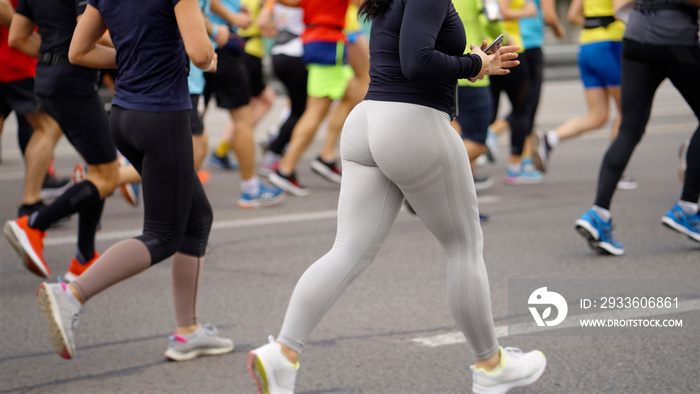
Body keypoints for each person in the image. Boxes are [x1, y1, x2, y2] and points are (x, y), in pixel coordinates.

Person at [247, 1, 546, 393]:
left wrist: (472, 61)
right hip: (411, 122)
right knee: (463, 247)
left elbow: (412, 56)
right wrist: (475, 66)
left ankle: (282, 354)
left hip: (369, 120)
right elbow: (417, 62)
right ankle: (491, 365)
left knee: (347, 250)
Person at [32, 0, 233, 362]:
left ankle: (188, 331)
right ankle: (72, 292)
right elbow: (201, 53)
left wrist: (130, 59)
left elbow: (78, 51)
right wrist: (208, 59)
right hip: (162, 117)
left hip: (124, 116)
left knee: (196, 218)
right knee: (162, 236)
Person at [4, 0, 124, 281]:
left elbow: (17, 37)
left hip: (47, 80)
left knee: (98, 168)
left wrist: (51, 56)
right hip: (74, 84)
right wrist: (139, 49)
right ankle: (33, 224)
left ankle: (84, 256)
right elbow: (89, 30)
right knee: (108, 174)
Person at [574, 0, 700, 255]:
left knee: (629, 129)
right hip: (674, 35)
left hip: (637, 35)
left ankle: (599, 212)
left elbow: (620, 5)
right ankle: (687, 208)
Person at [531, 0, 638, 190]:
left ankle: (550, 139)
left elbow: (573, 15)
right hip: (610, 45)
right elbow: (619, 12)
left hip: (587, 46)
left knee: (597, 116)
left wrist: (594, 26)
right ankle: (617, 172)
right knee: (626, 112)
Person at [267, 0, 367, 197]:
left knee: (353, 94)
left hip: (316, 41)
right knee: (315, 111)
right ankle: (285, 169)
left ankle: (325, 156)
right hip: (328, 42)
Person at [0, 0, 68, 217]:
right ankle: (31, 203)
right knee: (50, 126)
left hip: (10, 57)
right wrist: (30, 35)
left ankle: (39, 187)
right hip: (14, 60)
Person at [489, 0, 541, 185]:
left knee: (492, 110)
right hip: (512, 50)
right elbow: (501, 12)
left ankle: (486, 139)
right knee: (522, 109)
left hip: (493, 50)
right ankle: (514, 168)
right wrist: (527, 11)